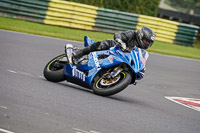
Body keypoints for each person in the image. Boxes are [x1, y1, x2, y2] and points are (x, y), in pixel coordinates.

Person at [68, 26, 155, 63]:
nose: (147, 43)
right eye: (146, 41)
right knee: (110, 42)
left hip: (121, 59)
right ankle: (79, 52)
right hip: (114, 50)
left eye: (149, 42)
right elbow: (119, 35)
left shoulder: (140, 51)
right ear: (141, 36)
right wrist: (119, 41)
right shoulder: (132, 34)